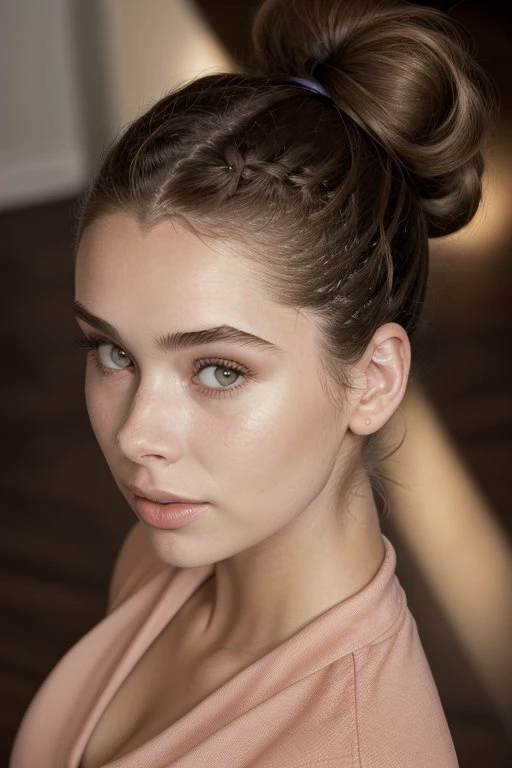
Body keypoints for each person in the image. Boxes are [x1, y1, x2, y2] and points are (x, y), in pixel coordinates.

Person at [9, 0, 494, 766]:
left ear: (372, 380)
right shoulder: (160, 550)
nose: (137, 434)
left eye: (219, 369)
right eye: (111, 351)